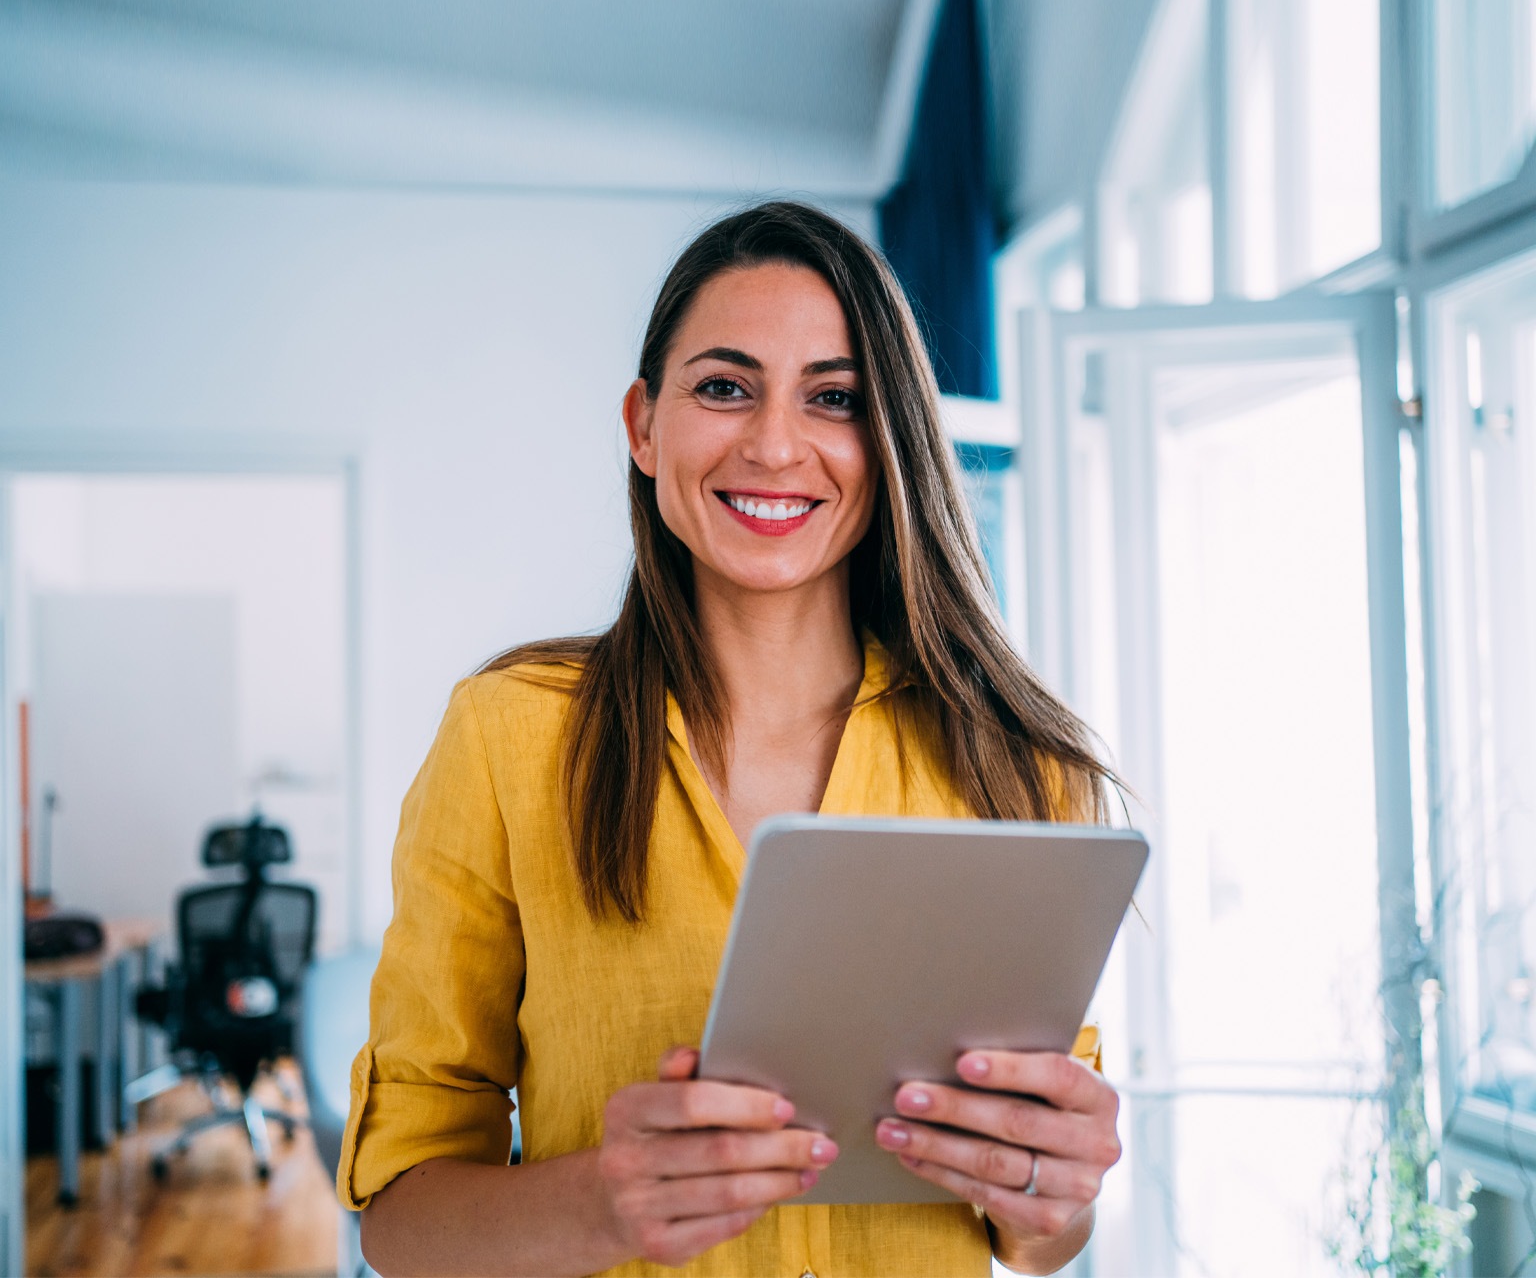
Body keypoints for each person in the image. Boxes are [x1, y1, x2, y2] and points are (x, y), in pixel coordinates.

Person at [342, 202, 1123, 1277]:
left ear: (891, 436)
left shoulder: (1022, 769)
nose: (773, 444)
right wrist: (602, 1207)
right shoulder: (506, 737)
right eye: (724, 386)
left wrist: (1051, 1195)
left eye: (835, 398)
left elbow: (1037, 1241)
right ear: (643, 424)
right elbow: (398, 1218)